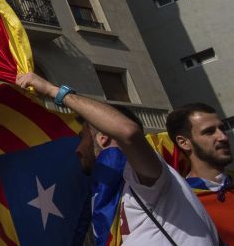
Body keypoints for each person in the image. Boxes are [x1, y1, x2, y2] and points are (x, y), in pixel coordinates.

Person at [17, 73, 220, 245]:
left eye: (82, 138)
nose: (77, 149)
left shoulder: (145, 176)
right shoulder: (113, 194)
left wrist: (53, 91)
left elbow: (128, 132)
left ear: (103, 137)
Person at [167, 103, 233, 242]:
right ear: (184, 142)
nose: (223, 137)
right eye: (209, 132)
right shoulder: (181, 204)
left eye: (222, 128)